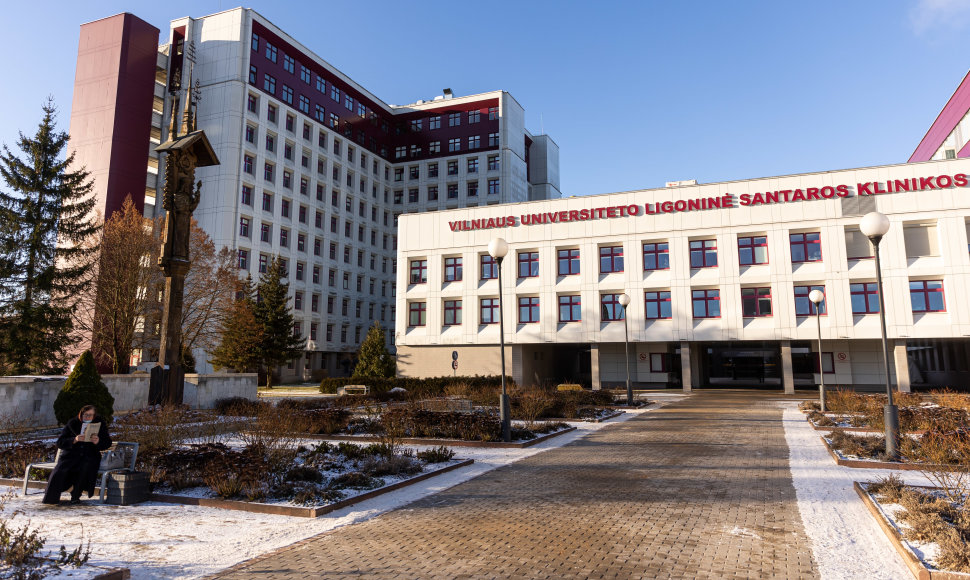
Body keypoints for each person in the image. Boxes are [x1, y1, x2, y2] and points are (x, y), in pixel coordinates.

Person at [42, 405, 112, 505]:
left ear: (94, 416)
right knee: (59, 471)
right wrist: (74, 440)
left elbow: (107, 443)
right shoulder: (73, 423)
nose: (88, 417)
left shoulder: (100, 425)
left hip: (89, 455)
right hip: (71, 455)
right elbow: (60, 442)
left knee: (85, 467)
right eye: (86, 415)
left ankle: (75, 496)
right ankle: (50, 498)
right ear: (81, 414)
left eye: (91, 415)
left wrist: (98, 441)